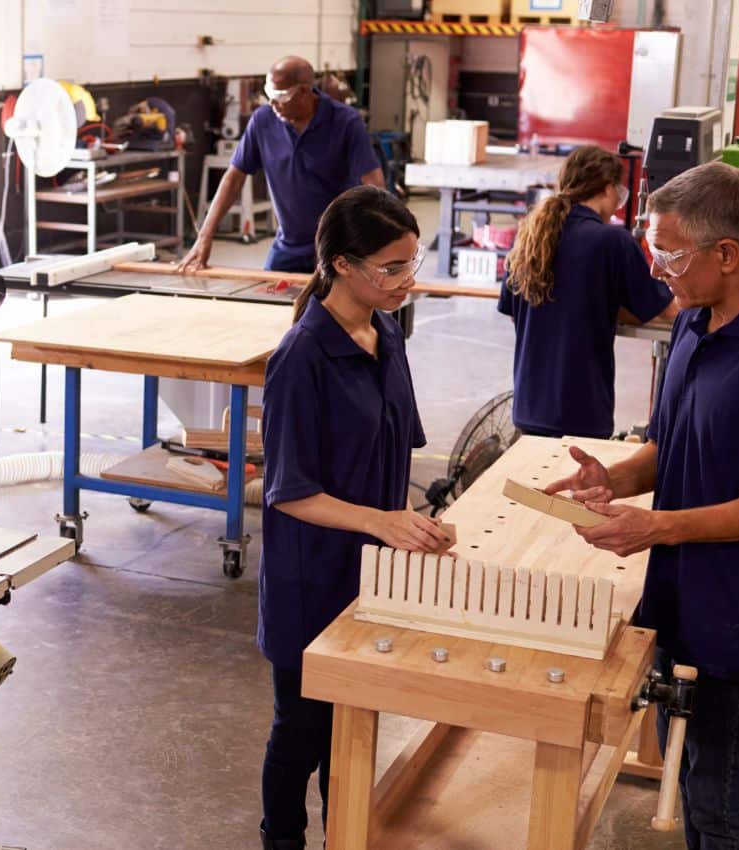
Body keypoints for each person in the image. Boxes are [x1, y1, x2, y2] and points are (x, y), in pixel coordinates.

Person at [543, 162, 739, 850]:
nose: (658, 272)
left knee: (723, 803)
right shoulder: (692, 326)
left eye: (670, 255)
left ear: (728, 254)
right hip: (678, 598)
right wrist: (615, 481)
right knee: (688, 778)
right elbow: (670, 443)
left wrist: (660, 527)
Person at [257, 186, 453, 850]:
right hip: (312, 579)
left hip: (371, 572)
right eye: (390, 268)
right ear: (341, 264)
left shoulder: (387, 333)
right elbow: (289, 492)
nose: (406, 280)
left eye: (411, 263)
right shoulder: (301, 357)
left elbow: (395, 448)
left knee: (353, 730)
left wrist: (413, 523)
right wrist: (383, 522)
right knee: (303, 732)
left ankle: (345, 836)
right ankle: (281, 840)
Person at [500, 145, 678, 438]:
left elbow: (517, 312)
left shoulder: (529, 236)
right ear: (609, 189)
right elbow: (664, 310)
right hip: (581, 412)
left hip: (529, 406)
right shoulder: (612, 242)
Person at [178, 56, 385, 275]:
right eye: (269, 94)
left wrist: (374, 246)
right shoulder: (263, 121)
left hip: (338, 249)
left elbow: (374, 184)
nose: (272, 103)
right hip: (288, 247)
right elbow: (233, 178)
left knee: (332, 306)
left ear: (305, 92)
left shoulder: (345, 122)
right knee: (266, 302)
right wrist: (204, 237)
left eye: (280, 97)